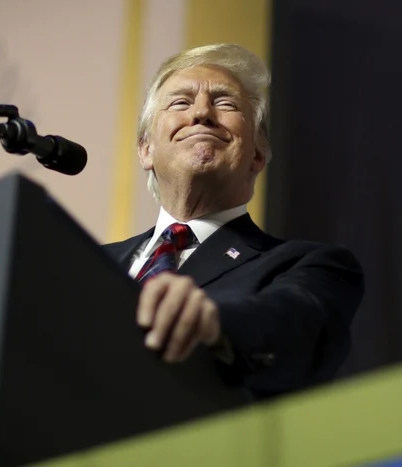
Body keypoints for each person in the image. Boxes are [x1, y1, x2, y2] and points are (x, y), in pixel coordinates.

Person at [104, 44, 364, 400]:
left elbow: (295, 327)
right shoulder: (90, 263)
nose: (201, 113)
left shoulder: (310, 265)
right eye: (180, 102)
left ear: (257, 154)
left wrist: (212, 321)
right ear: (146, 149)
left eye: (225, 103)